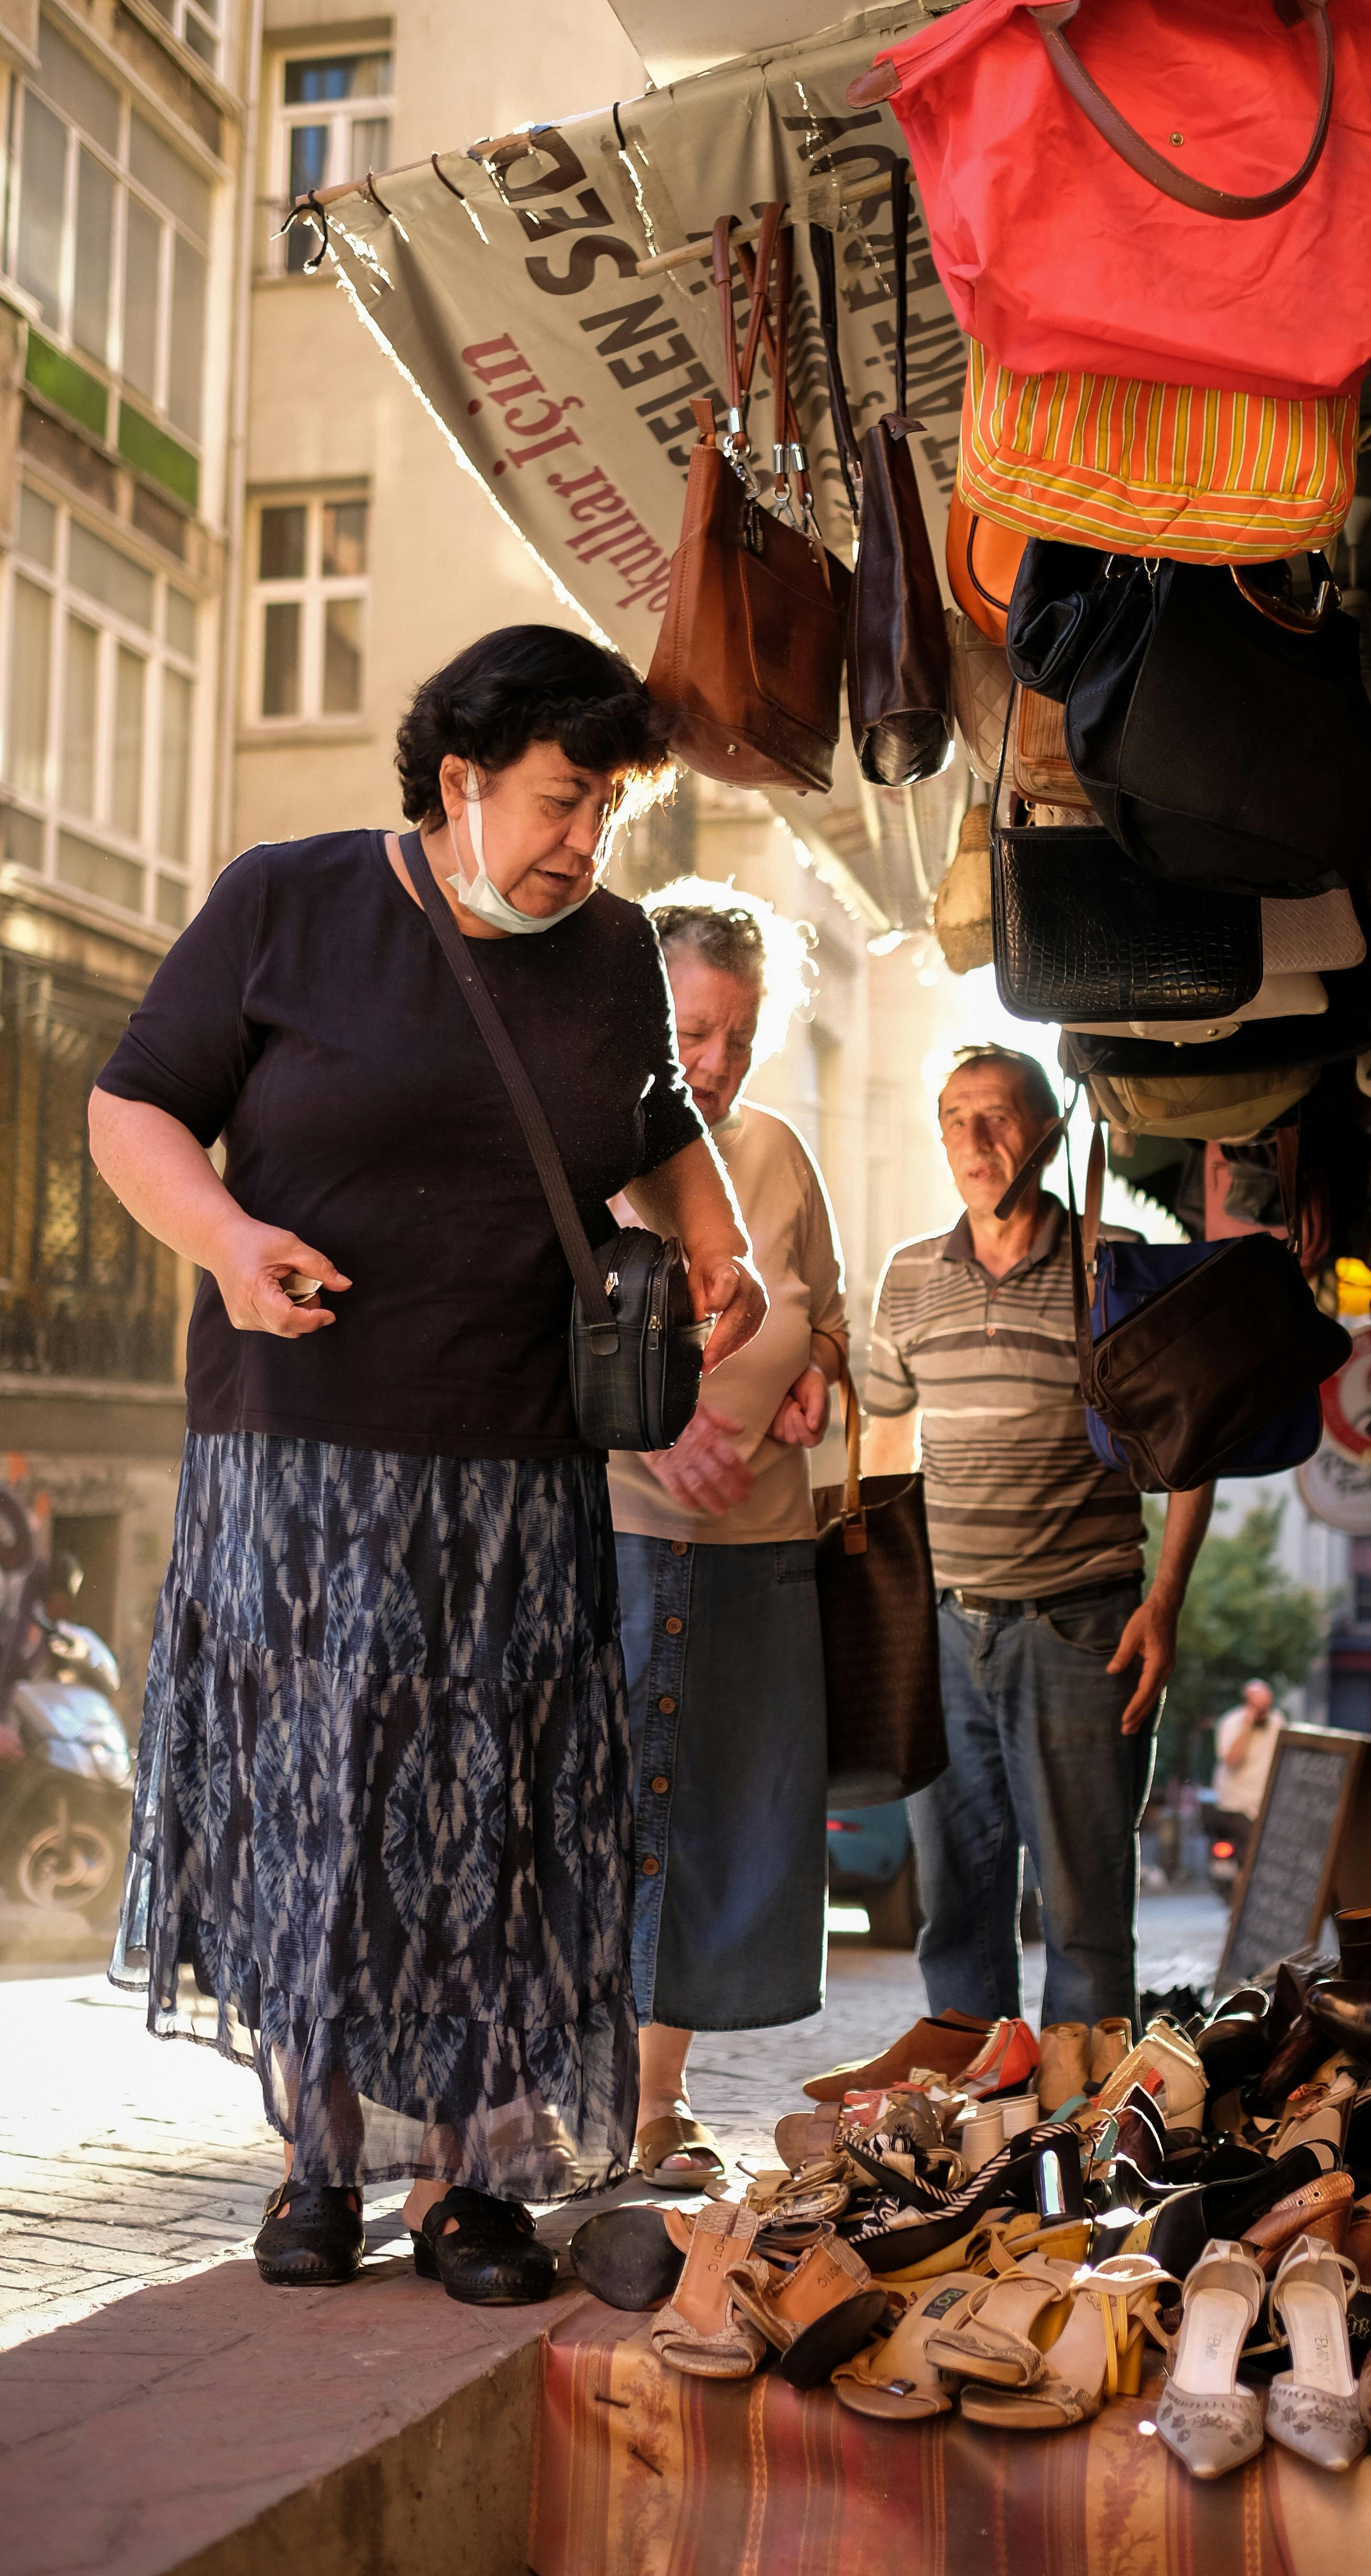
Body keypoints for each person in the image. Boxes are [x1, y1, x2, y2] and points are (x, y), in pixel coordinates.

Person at [87, 626, 765, 2307]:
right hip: (296, 1466)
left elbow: (657, 1118)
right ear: (457, 782)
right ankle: (315, 2172)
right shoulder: (286, 901)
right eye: (558, 801)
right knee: (321, 1814)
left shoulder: (607, 951)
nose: (582, 843)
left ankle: (474, 2185)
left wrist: (715, 1238)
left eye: (604, 810)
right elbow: (135, 1109)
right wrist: (229, 1238)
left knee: (491, 1824)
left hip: (512, 1467)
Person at [863, 1045, 1214, 2031]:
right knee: (956, 1914)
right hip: (944, 1636)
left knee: (1083, 1917)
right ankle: (978, 2132)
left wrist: (1164, 1604)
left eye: (998, 1117)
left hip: (1078, 1633)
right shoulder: (907, 1279)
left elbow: (1192, 1447)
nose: (975, 1141)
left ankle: (1081, 2145)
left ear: (1049, 1130)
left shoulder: (1110, 1270)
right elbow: (883, 1441)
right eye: (954, 1119)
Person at [607, 889, 846, 2190]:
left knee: (716, 1827)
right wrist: (656, 1439)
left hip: (763, 1549)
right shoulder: (603, 1152)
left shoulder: (780, 1154)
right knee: (624, 1816)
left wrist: (818, 1381)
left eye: (738, 1037)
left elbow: (828, 1309)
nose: (713, 1062)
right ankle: (605, 2109)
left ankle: (661, 2104)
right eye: (694, 1030)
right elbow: (543, 1346)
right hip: (628, 1539)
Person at [1212, 1678, 1285, 1829]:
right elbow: (1232, 1761)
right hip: (1237, 1805)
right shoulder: (1231, 1723)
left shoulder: (1277, 1721)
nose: (1263, 1714)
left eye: (1266, 1708)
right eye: (1259, 1709)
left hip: (1265, 1805)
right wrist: (1247, 1728)